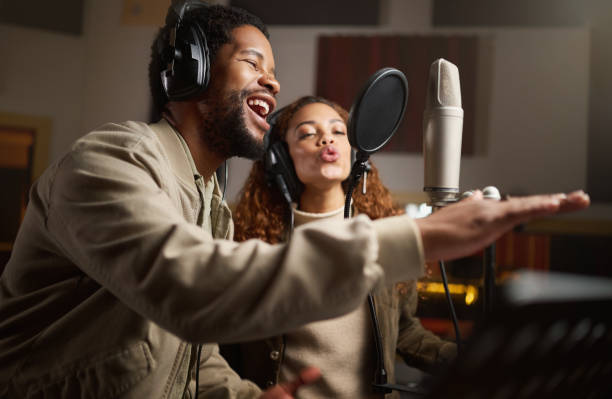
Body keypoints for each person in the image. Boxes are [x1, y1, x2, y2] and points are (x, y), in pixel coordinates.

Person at [0, 1, 590, 398]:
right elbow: (191, 289)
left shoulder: (208, 203)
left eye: (274, 69)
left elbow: (188, 355)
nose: (274, 83)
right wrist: (423, 236)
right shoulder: (111, 161)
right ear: (193, 72)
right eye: (252, 62)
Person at [225, 96, 457, 398]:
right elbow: (223, 348)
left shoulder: (385, 236)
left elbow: (405, 331)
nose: (326, 139)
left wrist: (472, 361)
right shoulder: (250, 243)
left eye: (339, 131)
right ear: (281, 158)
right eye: (308, 134)